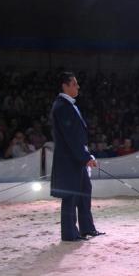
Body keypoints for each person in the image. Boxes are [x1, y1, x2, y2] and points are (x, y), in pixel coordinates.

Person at [50, 72, 105, 242]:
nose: (78, 87)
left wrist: (85, 156)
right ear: (65, 86)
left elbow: (76, 137)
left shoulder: (67, 105)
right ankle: (69, 234)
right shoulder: (62, 107)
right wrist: (85, 157)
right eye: (74, 84)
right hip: (69, 161)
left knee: (83, 193)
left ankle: (87, 228)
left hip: (76, 160)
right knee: (70, 197)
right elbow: (71, 138)